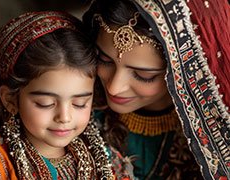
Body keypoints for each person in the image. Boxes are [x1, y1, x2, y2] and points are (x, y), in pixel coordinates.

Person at [0, 11, 136, 179]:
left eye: (80, 103)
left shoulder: (105, 160)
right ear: (10, 100)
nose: (64, 116)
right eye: (45, 103)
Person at [82, 0, 230, 179]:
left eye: (144, 76)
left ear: (180, 71)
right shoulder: (74, 109)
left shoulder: (213, 136)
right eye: (104, 60)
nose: (114, 87)